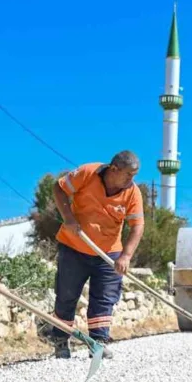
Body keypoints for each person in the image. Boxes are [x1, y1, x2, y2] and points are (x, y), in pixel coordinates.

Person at [41, 151, 144, 359]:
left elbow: (137, 225)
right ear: (114, 169)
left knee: (105, 298)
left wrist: (126, 256)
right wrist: (68, 218)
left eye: (134, 175)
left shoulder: (132, 192)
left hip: (109, 254)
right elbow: (58, 189)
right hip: (74, 248)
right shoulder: (88, 173)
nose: (131, 180)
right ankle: (61, 340)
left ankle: (98, 343)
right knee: (66, 295)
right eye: (128, 175)